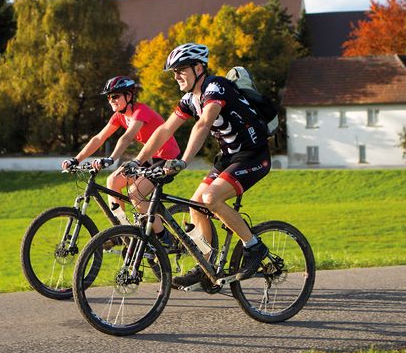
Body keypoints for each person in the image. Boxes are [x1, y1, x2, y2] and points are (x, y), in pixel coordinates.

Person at [123, 43, 272, 288]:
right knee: (196, 204)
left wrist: (183, 161)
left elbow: (203, 123)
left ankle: (254, 246)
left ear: (199, 68)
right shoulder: (189, 99)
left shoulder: (217, 87)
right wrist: (137, 160)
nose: (176, 76)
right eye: (174, 72)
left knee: (211, 198)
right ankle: (206, 265)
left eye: (181, 70)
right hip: (228, 158)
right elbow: (165, 130)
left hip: (253, 155)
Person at [61, 75, 180, 248]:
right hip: (149, 158)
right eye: (109, 97)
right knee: (113, 181)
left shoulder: (141, 111)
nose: (111, 100)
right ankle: (122, 232)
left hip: (168, 159)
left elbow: (127, 137)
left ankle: (166, 239)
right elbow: (99, 138)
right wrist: (76, 159)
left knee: (135, 194)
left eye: (115, 96)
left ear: (129, 95)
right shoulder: (119, 116)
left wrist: (111, 158)